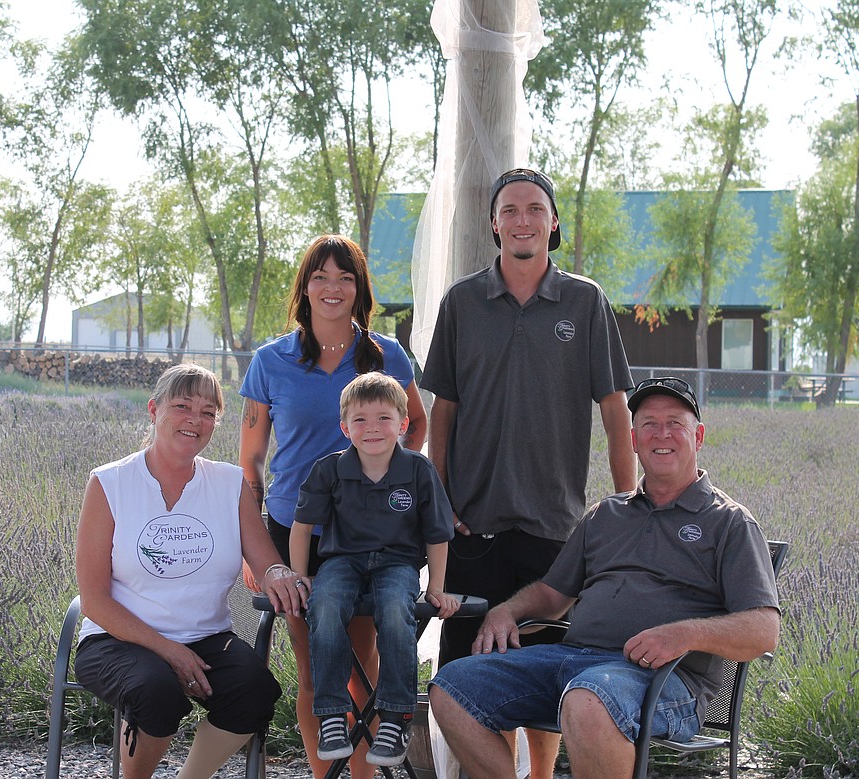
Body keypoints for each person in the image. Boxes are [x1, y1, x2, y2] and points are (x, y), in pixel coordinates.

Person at [428, 376, 781, 779]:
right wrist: (507, 610)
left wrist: (682, 634)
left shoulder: (730, 523)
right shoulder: (605, 515)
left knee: (588, 701)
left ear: (698, 436)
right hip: (574, 662)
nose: (660, 434)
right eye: (649, 424)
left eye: (675, 424)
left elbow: (763, 629)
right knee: (453, 687)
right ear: (633, 439)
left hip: (663, 681)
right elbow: (551, 594)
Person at [420, 167, 639, 776]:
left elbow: (617, 413)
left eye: (535, 209)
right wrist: (440, 499)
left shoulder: (585, 301)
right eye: (510, 209)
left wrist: (626, 505)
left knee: (546, 687)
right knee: (463, 686)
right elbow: (444, 411)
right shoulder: (463, 302)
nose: (523, 219)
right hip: (472, 530)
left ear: (554, 222)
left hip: (556, 532)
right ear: (494, 224)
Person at [240, 233, 429, 779]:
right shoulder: (270, 361)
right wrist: (258, 553)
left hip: (372, 534)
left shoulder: (387, 355)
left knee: (361, 664)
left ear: (360, 288)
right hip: (296, 532)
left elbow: (415, 422)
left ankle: (365, 775)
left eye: (345, 277)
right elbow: (251, 460)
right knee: (315, 667)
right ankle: (325, 775)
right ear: (304, 286)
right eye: (320, 276)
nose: (332, 287)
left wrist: (393, 473)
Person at [74, 364, 309, 779]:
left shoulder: (229, 483)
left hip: (206, 638)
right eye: (182, 406)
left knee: (256, 692)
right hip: (117, 639)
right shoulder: (109, 483)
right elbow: (94, 601)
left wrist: (278, 575)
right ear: (154, 409)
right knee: (156, 690)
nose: (194, 421)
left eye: (207, 412)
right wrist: (169, 651)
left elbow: (266, 560)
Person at [292, 372, 459, 767]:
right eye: (360, 419)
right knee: (326, 605)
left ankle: (396, 716)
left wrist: (436, 587)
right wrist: (300, 576)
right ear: (344, 427)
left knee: (396, 613)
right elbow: (302, 528)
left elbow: (437, 535)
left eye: (383, 418)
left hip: (398, 563)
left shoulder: (418, 470)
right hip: (341, 561)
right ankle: (332, 713)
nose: (372, 428)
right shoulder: (329, 470)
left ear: (403, 424)